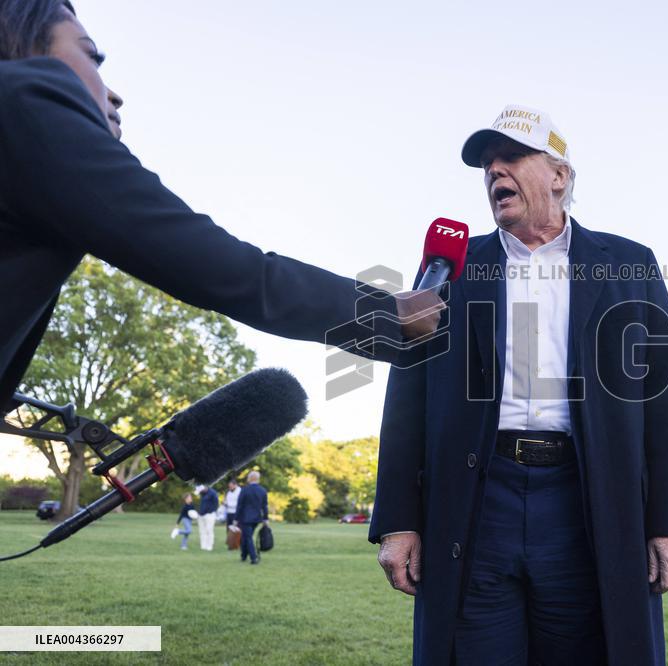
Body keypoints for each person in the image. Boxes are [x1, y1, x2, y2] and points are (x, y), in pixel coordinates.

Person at [370, 105, 668, 665]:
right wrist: (399, 521)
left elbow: (664, 399)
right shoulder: (449, 268)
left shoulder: (628, 264)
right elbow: (407, 399)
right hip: (478, 503)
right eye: (486, 164)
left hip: (588, 499)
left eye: (510, 157)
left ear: (559, 175)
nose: (494, 171)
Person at [0, 0, 443, 410]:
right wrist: (387, 314)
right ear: (24, 44)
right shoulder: (27, 97)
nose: (114, 94)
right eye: (93, 57)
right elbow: (222, 269)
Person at [235, 470, 268, 565]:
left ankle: (254, 557)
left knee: (248, 537)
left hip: (245, 518)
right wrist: (265, 518)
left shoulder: (244, 490)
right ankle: (243, 555)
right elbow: (264, 506)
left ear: (249, 478)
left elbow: (240, 505)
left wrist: (236, 519)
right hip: (257, 518)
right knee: (246, 536)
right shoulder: (262, 490)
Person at [196, 484, 219, 551]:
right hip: (201, 515)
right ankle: (203, 546)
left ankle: (209, 546)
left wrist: (211, 511)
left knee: (209, 530)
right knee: (202, 531)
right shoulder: (202, 493)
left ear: (205, 487)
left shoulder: (213, 493)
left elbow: (216, 504)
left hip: (210, 515)